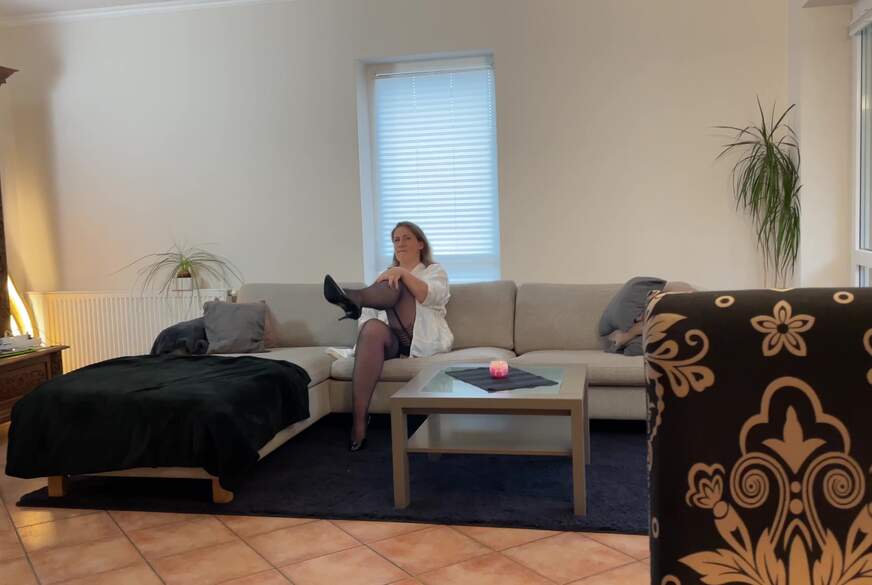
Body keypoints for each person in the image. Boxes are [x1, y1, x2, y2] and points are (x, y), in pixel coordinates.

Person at [323, 221, 453, 451]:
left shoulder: (434, 271)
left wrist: (401, 273)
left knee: (398, 284)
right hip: (391, 342)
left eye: (407, 238)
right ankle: (359, 421)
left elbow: (430, 296)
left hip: (419, 338)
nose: (400, 243)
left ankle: (353, 298)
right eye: (396, 239)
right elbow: (367, 320)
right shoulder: (384, 278)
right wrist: (392, 275)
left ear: (420, 244)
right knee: (371, 327)